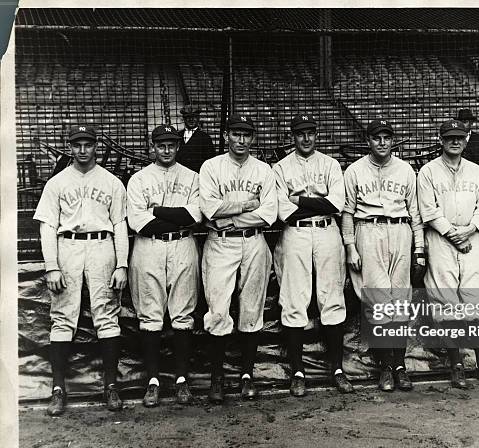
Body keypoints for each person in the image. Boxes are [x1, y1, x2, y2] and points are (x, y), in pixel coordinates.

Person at [33, 125, 129, 415]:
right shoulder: (57, 182)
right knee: (62, 316)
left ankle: (111, 386)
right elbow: (47, 226)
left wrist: (122, 263)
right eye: (77, 145)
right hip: (69, 247)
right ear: (70, 147)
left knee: (107, 313)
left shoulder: (112, 182)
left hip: (102, 246)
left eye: (88, 144)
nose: (83, 150)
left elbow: (120, 225)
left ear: (96, 146)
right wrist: (51, 266)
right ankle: (58, 389)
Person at [417, 119, 479, 389]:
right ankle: (456, 364)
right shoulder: (428, 171)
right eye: (449, 137)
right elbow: (428, 210)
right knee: (446, 302)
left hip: (471, 238)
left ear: (467, 139)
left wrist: (469, 230)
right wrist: (451, 233)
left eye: (459, 137)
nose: (455, 141)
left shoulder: (477, 171)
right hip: (441, 240)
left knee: (476, 301)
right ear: (440, 139)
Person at [273, 113, 353, 397]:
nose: (306, 138)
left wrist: (299, 200)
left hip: (327, 231)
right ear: (292, 136)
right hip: (295, 232)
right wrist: (313, 204)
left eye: (310, 132)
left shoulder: (331, 164)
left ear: (316, 134)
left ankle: (338, 370)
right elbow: (283, 210)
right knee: (295, 299)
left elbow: (335, 204)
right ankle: (297, 372)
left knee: (331, 297)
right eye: (300, 133)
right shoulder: (280, 168)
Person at [199, 114, 278, 404]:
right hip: (220, 246)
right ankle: (217, 378)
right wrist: (247, 205)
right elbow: (209, 208)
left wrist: (232, 219)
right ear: (225, 136)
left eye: (247, 135)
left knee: (252, 309)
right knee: (218, 309)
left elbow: (269, 213)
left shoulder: (263, 170)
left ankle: (247, 376)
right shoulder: (211, 167)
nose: (241, 140)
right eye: (236, 134)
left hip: (253, 241)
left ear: (253, 138)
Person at [342, 119, 425, 392]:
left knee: (400, 301)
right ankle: (386, 367)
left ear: (393, 141)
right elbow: (347, 213)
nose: (382, 142)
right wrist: (350, 246)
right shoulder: (354, 170)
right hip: (368, 230)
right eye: (377, 137)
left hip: (400, 231)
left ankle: (400, 365)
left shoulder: (405, 170)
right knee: (378, 302)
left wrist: (420, 249)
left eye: (387, 137)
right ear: (368, 140)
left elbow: (415, 213)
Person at [127, 125, 202, 407]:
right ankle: (153, 382)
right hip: (149, 247)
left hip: (183, 244)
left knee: (183, 312)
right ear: (152, 147)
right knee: (150, 314)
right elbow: (138, 221)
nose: (166, 150)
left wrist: (156, 210)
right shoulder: (138, 179)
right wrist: (174, 217)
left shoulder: (193, 177)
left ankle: (182, 380)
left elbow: (193, 216)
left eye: (171, 144)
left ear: (178, 146)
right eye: (161, 145)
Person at [175, 104, 216, 173]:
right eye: (188, 117)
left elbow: (210, 161)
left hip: (198, 175)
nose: (191, 120)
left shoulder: (205, 138)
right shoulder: (177, 135)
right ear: (184, 118)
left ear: (198, 118)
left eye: (194, 117)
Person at [455, 109, 479, 177]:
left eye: (465, 122)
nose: (462, 125)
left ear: (471, 123)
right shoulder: (452, 139)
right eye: (460, 122)